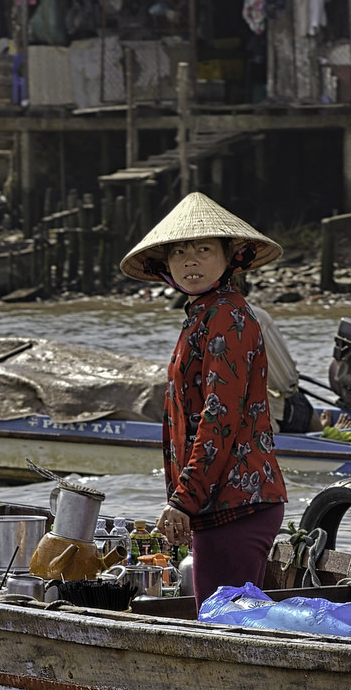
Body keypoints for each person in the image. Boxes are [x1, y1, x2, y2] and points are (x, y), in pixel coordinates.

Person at [119, 192, 289, 604]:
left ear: (230, 257)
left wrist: (182, 501)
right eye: (180, 251)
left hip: (239, 504)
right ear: (168, 265)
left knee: (226, 630)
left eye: (203, 249)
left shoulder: (228, 317)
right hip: (218, 505)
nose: (190, 261)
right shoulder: (204, 313)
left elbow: (218, 420)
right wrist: (187, 503)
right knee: (222, 624)